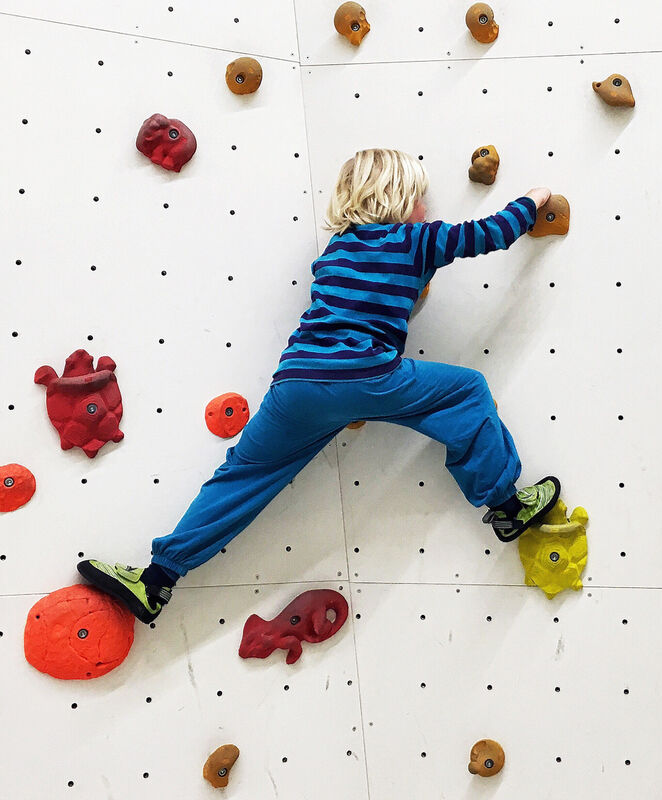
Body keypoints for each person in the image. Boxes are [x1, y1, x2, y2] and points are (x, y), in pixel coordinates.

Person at [77, 148, 562, 624]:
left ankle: (157, 580)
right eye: (421, 198)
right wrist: (535, 198)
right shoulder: (416, 239)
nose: (427, 209)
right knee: (467, 391)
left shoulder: (337, 250)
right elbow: (489, 235)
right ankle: (506, 505)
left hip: (296, 385)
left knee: (242, 477)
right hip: (367, 376)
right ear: (399, 197)